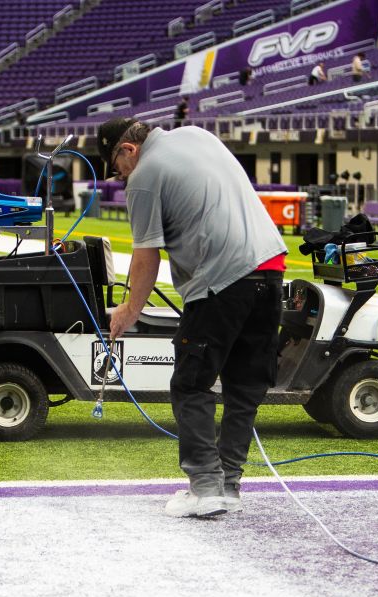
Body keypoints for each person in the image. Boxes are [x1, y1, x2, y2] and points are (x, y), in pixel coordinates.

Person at [96, 117, 286, 518]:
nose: (120, 176)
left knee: (191, 384)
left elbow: (146, 256)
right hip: (271, 269)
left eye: (117, 166)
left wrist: (130, 310)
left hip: (221, 279)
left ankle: (205, 487)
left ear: (128, 150)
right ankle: (228, 484)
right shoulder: (198, 135)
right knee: (243, 388)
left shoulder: (144, 175)